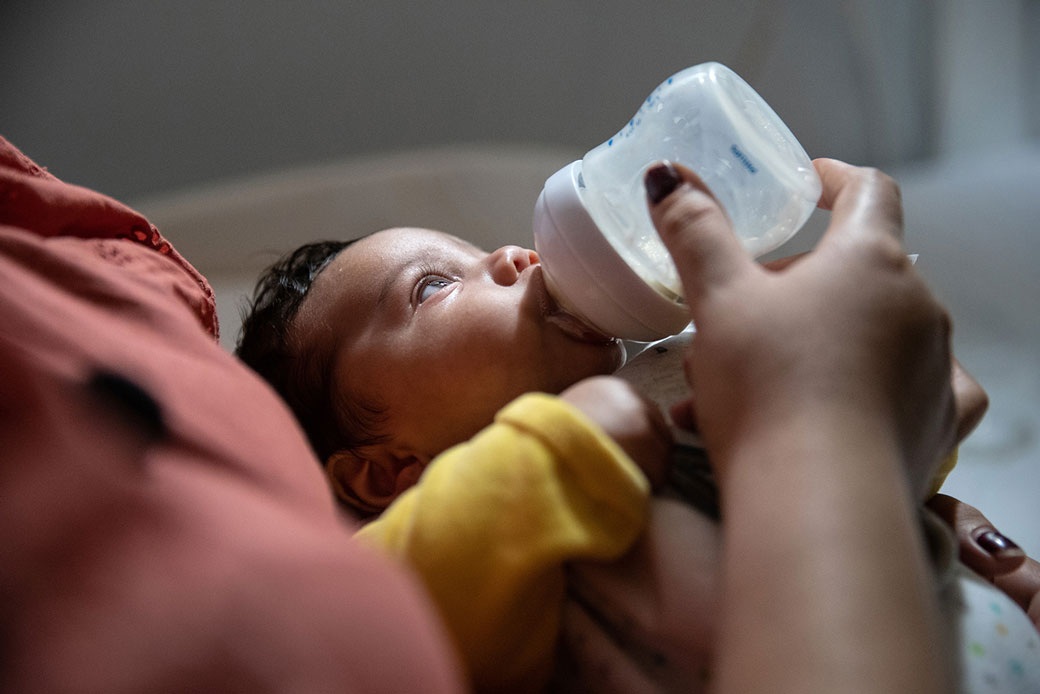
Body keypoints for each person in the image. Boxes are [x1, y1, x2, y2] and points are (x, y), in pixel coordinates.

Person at [237, 159, 1040, 692]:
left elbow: (901, 444)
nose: (513, 255)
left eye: (481, 249)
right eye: (433, 288)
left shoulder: (668, 365)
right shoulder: (448, 527)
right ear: (385, 471)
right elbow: (397, 596)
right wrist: (562, 446)